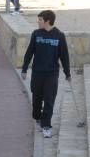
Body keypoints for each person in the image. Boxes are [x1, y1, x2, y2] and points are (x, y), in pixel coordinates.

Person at [20, 10, 71, 139]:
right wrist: (25, 69)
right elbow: (29, 52)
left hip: (52, 73)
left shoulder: (59, 36)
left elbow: (64, 56)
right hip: (37, 73)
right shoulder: (36, 34)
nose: (38, 21)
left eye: (40, 20)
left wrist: (67, 72)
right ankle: (37, 117)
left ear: (47, 21)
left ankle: (46, 125)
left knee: (49, 99)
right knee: (37, 99)